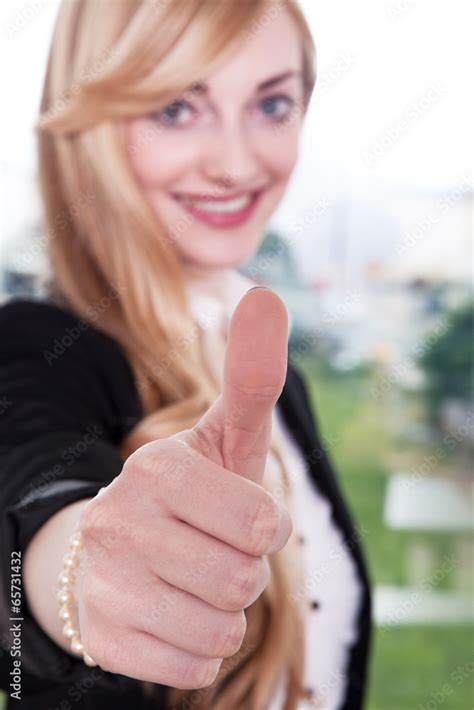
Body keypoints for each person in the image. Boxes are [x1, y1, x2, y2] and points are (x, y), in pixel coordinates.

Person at [0, 1, 372, 708]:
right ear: (89, 120)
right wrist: (80, 579)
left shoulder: (269, 372)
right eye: (176, 108)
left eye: (272, 103)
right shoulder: (40, 344)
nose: (236, 164)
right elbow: (26, 499)